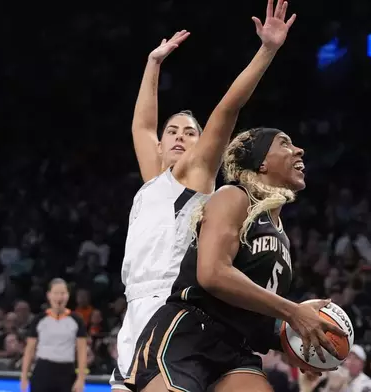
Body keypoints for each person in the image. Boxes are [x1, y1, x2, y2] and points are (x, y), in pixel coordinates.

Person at [112, 0, 299, 389]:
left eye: (191, 133)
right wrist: (153, 63)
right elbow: (142, 125)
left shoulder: (195, 176)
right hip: (136, 308)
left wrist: (267, 51)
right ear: (160, 146)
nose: (181, 137)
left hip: (175, 304)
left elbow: (227, 110)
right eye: (173, 132)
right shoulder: (154, 184)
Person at [125, 123, 346, 392]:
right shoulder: (233, 196)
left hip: (236, 348)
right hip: (190, 332)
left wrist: (298, 341)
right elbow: (212, 274)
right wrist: (293, 312)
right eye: (284, 143)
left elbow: (254, 315)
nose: (299, 150)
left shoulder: (281, 237)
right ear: (262, 163)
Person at [20, 279, 88, 392]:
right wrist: (24, 376)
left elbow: (82, 351)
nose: (59, 297)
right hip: (43, 371)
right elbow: (29, 350)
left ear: (68, 296)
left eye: (63, 293)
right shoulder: (39, 320)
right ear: (49, 295)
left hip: (67, 372)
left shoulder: (76, 320)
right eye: (56, 293)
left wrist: (81, 379)